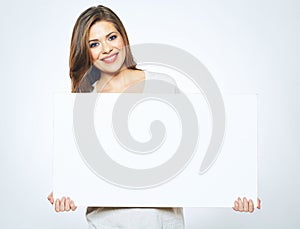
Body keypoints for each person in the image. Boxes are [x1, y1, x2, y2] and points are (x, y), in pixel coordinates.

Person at [48, 5, 261, 228]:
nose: (107, 49)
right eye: (94, 44)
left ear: (123, 38)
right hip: (107, 223)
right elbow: (81, 169)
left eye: (112, 37)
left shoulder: (162, 84)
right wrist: (65, 190)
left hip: (162, 221)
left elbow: (195, 149)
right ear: (86, 52)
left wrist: (236, 189)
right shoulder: (83, 103)